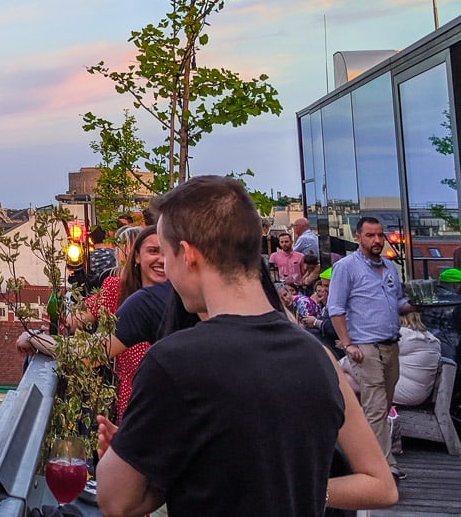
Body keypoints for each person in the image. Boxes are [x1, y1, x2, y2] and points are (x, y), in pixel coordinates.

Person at [95, 176, 396, 517]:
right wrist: (296, 485)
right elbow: (380, 484)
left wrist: (128, 448)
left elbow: (117, 501)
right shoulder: (318, 355)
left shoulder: (173, 362)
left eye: (166, 255)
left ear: (188, 254)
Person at [327, 215, 415, 481]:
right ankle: (383, 468)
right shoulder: (346, 267)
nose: (377, 240)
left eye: (379, 235)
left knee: (384, 404)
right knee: (376, 407)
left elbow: (398, 304)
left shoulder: (389, 267)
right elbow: (335, 309)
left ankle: (366, 460)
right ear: (357, 237)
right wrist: (348, 343)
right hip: (365, 347)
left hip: (391, 345)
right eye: (370, 235)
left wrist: (416, 305)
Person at [69, 226, 164, 421]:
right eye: (153, 251)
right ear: (136, 256)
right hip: (134, 399)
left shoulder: (184, 298)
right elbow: (77, 324)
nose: (161, 259)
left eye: (166, 252)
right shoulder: (118, 290)